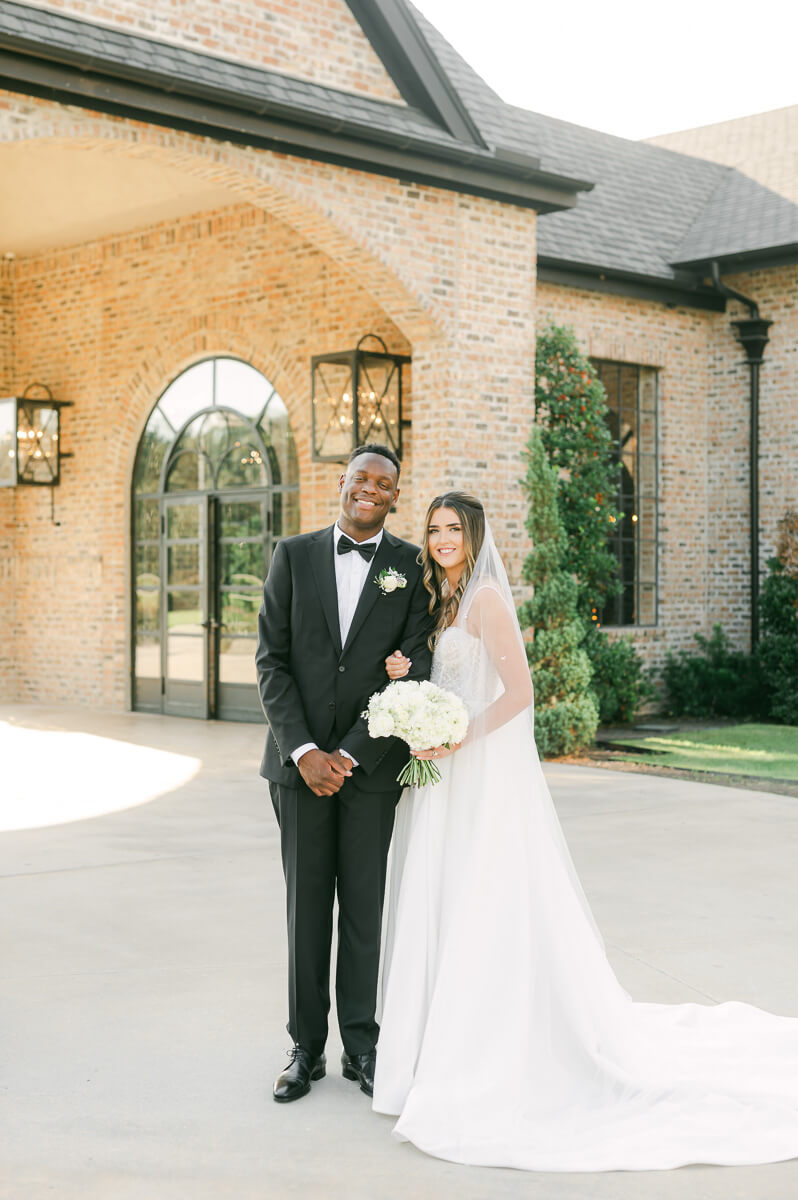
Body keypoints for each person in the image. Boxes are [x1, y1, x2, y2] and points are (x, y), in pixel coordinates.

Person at [372, 490, 798, 1171]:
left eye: (454, 528)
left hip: (474, 773)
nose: (442, 537)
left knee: (485, 899)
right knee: (445, 899)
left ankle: (488, 1049)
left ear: (475, 537)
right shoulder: (442, 600)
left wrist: (457, 737)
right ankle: (434, 1045)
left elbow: (519, 695)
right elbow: (447, 676)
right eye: (434, 528)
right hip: (444, 776)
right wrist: (409, 682)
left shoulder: (483, 601)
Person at [255, 444, 433, 1104]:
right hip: (296, 767)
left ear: (393, 496)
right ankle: (306, 1048)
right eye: (361, 478)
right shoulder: (293, 556)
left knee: (363, 909)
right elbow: (271, 661)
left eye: (384, 484)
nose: (370, 490)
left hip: (370, 767)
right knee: (306, 912)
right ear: (342, 483)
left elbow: (413, 664)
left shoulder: (411, 566)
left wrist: (351, 753)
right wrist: (304, 751)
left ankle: (363, 1045)